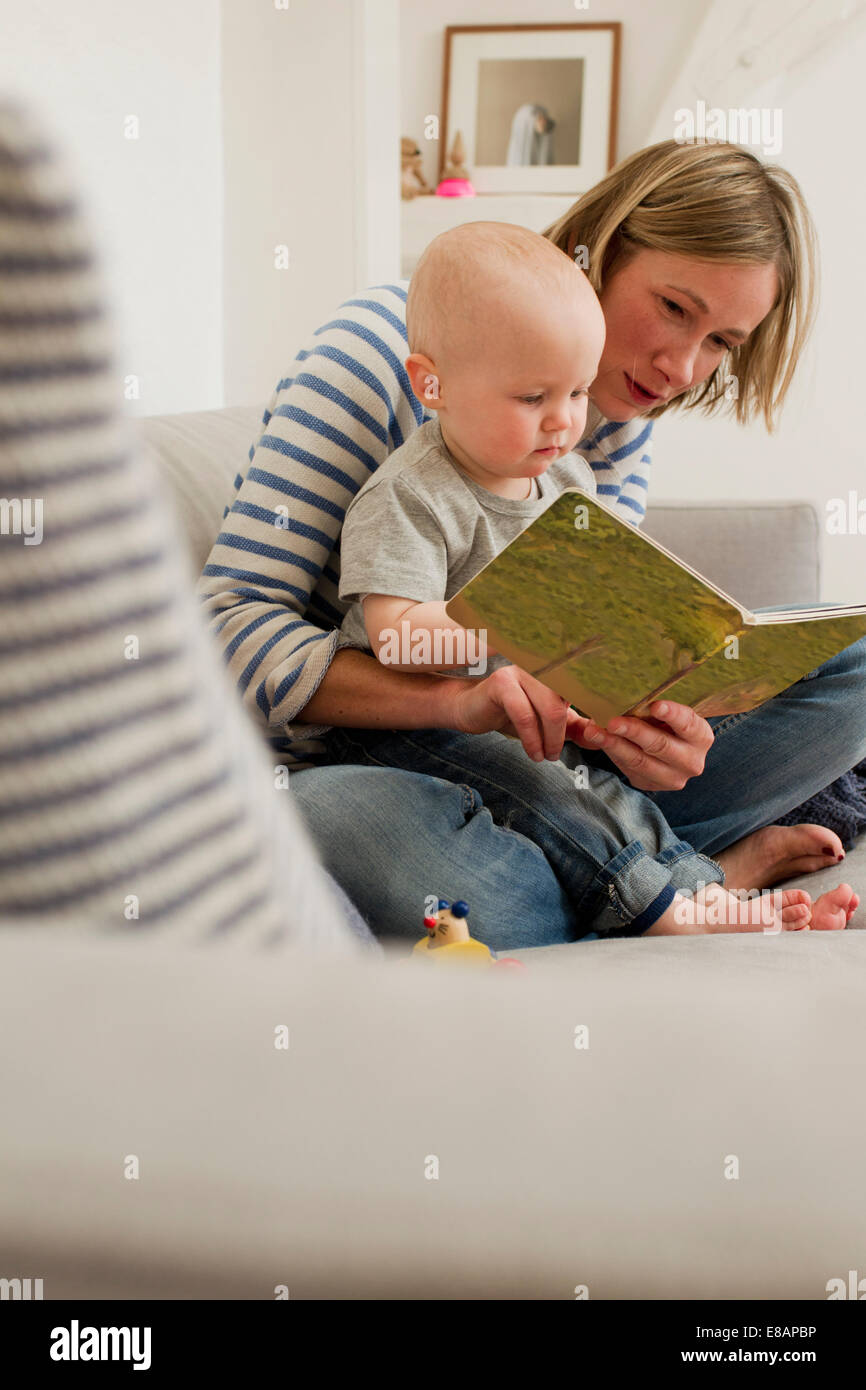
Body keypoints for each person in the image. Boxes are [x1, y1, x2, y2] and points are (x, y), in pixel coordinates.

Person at [196, 139, 866, 949]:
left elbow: (573, 658)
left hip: (541, 764)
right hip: (356, 763)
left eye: (723, 341)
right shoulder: (375, 359)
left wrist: (649, 728)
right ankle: (679, 883)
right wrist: (457, 700)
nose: (681, 367)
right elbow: (228, 631)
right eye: (675, 309)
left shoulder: (606, 430)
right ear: (600, 250)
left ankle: (650, 881)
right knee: (488, 899)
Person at [330, 221, 857, 937]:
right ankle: (674, 903)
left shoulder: (567, 480)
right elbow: (395, 640)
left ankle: (696, 891)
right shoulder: (411, 495)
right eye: (531, 397)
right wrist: (513, 626)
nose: (564, 421)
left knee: (591, 779)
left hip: (538, 724)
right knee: (551, 786)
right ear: (434, 384)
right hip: (419, 734)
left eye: (578, 392)